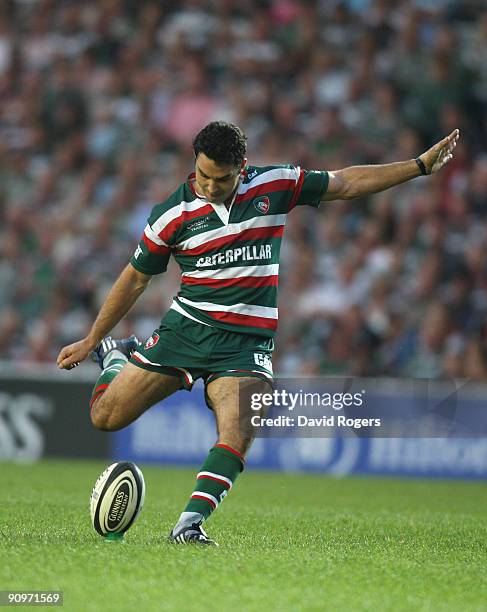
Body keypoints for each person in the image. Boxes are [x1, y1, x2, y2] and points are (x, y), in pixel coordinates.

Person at [57, 121, 459, 545]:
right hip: (186, 332)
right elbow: (134, 280)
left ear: (243, 168)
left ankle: (189, 525)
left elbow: (345, 183)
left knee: (238, 432)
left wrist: (418, 166)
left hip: (246, 347)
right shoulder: (170, 216)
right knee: (105, 418)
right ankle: (116, 355)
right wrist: (90, 339)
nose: (210, 186)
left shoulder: (276, 184)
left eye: (222, 178)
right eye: (203, 174)